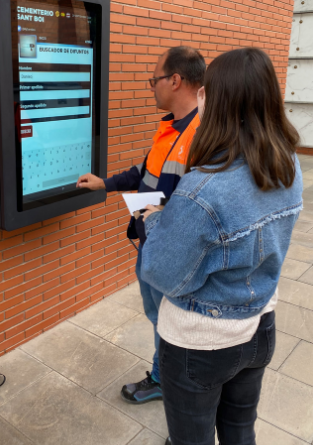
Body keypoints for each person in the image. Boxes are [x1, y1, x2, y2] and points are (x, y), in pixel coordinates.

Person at [138, 48, 302, 445]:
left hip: (201, 340)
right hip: (260, 324)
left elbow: (161, 272)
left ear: (219, 100)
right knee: (240, 430)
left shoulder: (204, 189)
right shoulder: (287, 165)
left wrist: (156, 219)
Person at [76, 46, 205, 405]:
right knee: (159, 318)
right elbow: (145, 172)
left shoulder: (204, 134)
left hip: (174, 252)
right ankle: (164, 379)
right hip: (151, 241)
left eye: (154, 80)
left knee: (176, 324)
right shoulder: (170, 128)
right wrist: (105, 183)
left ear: (175, 80)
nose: (152, 87)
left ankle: (182, 394)